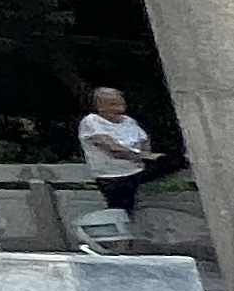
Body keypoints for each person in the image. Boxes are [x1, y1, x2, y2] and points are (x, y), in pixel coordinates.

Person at [79, 83, 189, 215]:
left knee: (177, 160)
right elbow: (112, 148)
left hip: (136, 170)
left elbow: (144, 139)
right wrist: (142, 156)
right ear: (100, 106)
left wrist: (146, 155)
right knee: (123, 210)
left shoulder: (128, 121)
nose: (120, 106)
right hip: (113, 176)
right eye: (113, 103)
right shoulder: (92, 121)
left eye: (121, 102)